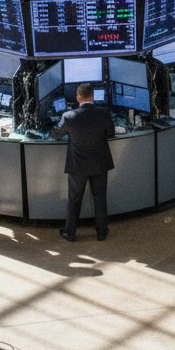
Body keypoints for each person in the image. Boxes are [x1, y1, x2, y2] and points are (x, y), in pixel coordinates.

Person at [51, 82, 115, 243]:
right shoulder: (104, 113)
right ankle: (101, 232)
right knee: (100, 198)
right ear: (93, 97)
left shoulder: (69, 116)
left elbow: (56, 135)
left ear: (78, 97)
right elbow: (111, 133)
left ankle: (70, 233)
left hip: (77, 167)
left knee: (74, 199)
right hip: (100, 164)